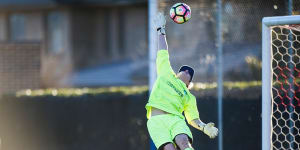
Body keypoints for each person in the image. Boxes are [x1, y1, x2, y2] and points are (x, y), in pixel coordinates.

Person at [145, 12, 218, 150]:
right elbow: (163, 52)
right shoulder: (166, 73)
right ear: (177, 73)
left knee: (183, 141)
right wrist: (161, 30)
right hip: (155, 121)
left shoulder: (189, 96)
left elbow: (192, 118)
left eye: (189, 73)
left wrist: (204, 128)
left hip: (175, 119)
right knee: (169, 149)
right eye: (183, 70)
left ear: (188, 84)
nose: (186, 71)